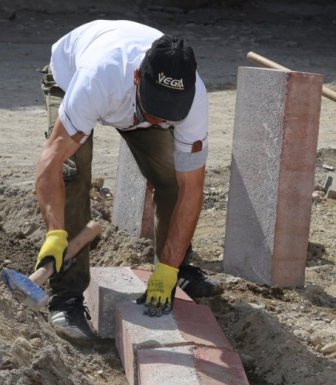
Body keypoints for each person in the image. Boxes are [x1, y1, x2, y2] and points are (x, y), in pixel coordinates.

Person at [34, 20, 221, 344]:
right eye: (156, 110)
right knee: (73, 173)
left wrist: (169, 267)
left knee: (173, 181)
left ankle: (174, 270)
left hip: (130, 100)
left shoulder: (192, 100)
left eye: (169, 114)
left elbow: (192, 189)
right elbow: (50, 162)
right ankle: (66, 298)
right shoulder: (97, 79)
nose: (159, 121)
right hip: (70, 79)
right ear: (137, 78)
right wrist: (55, 233)